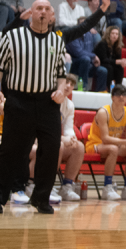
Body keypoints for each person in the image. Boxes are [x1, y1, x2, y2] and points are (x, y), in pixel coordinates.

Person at [0, 0, 69, 214]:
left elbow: (61, 75)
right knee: (10, 151)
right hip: (18, 100)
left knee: (51, 150)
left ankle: (41, 198)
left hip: (48, 103)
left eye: (46, 9)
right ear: (31, 12)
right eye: (38, 8)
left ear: (52, 15)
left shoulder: (57, 41)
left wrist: (61, 89)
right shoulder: (13, 36)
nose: (42, 12)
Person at [30, 75, 84, 203]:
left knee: (79, 147)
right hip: (35, 140)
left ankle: (67, 186)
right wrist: (61, 139)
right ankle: (46, 186)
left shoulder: (69, 105)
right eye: (66, 82)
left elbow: (69, 128)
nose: (68, 86)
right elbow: (38, 129)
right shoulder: (46, 99)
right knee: (57, 145)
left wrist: (71, 139)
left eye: (72, 84)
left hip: (54, 140)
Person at [86, 85, 126, 200]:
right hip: (96, 144)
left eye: (125, 95)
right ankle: (107, 187)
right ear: (112, 97)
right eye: (118, 94)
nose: (122, 97)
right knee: (113, 148)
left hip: (114, 144)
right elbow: (105, 138)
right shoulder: (103, 112)